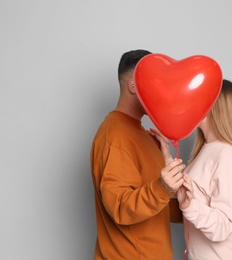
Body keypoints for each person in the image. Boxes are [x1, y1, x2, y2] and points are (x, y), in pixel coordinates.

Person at [90, 49, 186, 260]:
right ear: (133, 86)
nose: (160, 91)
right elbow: (120, 207)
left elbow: (155, 207)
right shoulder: (114, 136)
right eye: (154, 82)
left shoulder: (145, 135)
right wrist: (163, 188)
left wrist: (189, 203)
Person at [153, 79, 232, 260]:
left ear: (214, 107)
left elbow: (223, 227)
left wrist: (190, 206)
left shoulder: (228, 156)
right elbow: (191, 193)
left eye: (200, 99)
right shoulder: (207, 150)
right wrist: (166, 157)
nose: (193, 105)